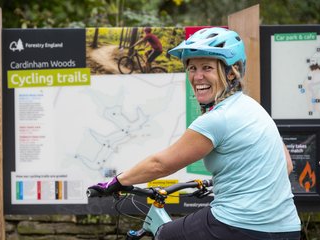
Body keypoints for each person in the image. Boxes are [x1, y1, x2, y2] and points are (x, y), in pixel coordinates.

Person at [88, 27, 301, 240]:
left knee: (166, 235)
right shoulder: (253, 108)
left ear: (231, 71)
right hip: (287, 228)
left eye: (207, 67)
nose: (197, 77)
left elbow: (161, 164)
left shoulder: (217, 119)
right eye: (192, 68)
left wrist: (116, 182)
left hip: (237, 225)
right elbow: (286, 164)